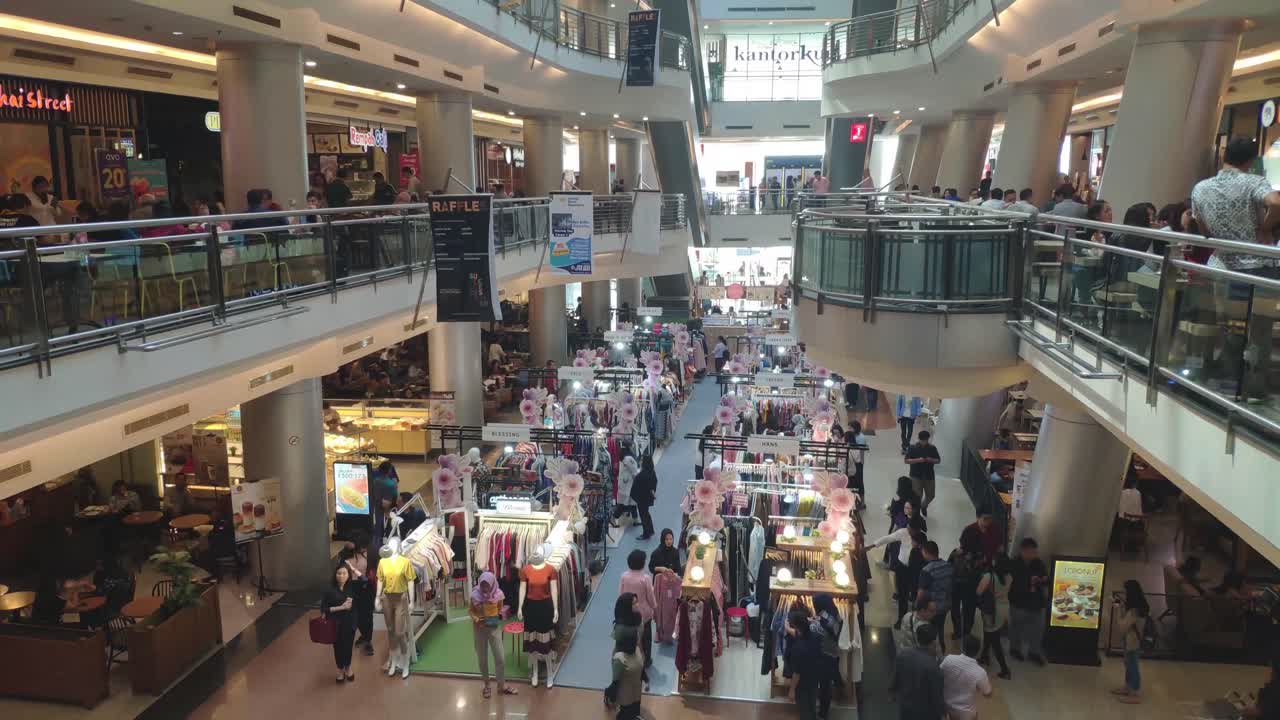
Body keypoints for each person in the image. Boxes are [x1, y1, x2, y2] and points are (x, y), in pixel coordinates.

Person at [869, 524, 926, 624]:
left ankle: (910, 620)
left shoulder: (919, 549)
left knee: (909, 596)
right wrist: (872, 545)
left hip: (913, 576)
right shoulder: (905, 533)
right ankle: (903, 619)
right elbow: (888, 538)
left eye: (910, 528)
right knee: (903, 595)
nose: (907, 529)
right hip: (903, 570)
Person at [469, 571, 514, 697]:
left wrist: (492, 616)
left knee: (500, 657)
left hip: (493, 628)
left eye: (487, 585)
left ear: (493, 584)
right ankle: (487, 685)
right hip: (479, 629)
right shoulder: (475, 595)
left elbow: (500, 608)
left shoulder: (498, 594)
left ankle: (501, 685)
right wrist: (476, 618)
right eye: (482, 585)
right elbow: (470, 610)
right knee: (482, 658)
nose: (484, 588)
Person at [891, 622, 947, 720]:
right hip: (926, 713)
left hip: (906, 708)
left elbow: (896, 677)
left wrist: (892, 691)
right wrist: (943, 712)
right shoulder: (933, 666)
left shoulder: (903, 654)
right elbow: (937, 695)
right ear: (934, 642)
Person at [1008, 537, 1048, 664]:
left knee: (1038, 629)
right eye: (1031, 552)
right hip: (1019, 603)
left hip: (1036, 603)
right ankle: (1015, 649)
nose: (1033, 554)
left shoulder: (1039, 563)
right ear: (1023, 551)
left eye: (1035, 552)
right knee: (1016, 627)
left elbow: (1046, 579)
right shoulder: (1014, 564)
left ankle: (1034, 652)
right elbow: (1011, 584)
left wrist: (1041, 580)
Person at [1112, 579, 1150, 704]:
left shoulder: (1134, 610)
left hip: (1133, 641)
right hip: (1131, 640)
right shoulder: (1139, 606)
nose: (1124, 594)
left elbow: (1122, 626)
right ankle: (1127, 687)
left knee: (1132, 664)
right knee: (1128, 663)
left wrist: (1117, 610)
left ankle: (1134, 693)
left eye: (1125, 591)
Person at [618, 550, 656, 671]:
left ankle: (631, 656)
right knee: (646, 637)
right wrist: (655, 606)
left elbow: (621, 594)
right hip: (644, 614)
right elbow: (650, 596)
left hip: (628, 613)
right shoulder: (646, 578)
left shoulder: (624, 576)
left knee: (630, 636)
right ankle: (647, 659)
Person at [975, 554, 1012, 679]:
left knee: (994, 639)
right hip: (1004, 608)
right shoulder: (1009, 577)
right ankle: (984, 656)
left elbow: (978, 592)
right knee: (989, 632)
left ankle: (1005, 669)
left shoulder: (988, 577)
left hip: (991, 610)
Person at [941, 635, 993, 720]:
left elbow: (939, 674)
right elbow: (987, 694)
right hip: (967, 712)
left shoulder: (949, 659)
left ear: (962, 647)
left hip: (948, 706)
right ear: (978, 651)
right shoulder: (980, 672)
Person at [809, 593, 843, 720]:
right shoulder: (835, 613)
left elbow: (812, 632)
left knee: (816, 684)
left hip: (821, 657)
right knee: (826, 685)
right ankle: (824, 712)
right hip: (833, 653)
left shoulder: (820, 625)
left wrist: (811, 622)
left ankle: (816, 712)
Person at [787, 608, 824, 720]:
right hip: (815, 678)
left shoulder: (798, 648)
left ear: (797, 627)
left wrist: (792, 690)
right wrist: (788, 628)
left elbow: (797, 673)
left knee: (804, 710)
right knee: (812, 705)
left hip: (803, 684)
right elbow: (801, 635)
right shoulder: (816, 637)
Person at [322, 563, 357, 682]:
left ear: (348, 575)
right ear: (335, 575)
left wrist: (353, 569)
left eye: (344, 573)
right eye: (339, 573)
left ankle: (348, 667)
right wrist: (340, 607)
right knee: (338, 648)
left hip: (349, 623)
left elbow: (365, 580)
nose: (341, 576)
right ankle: (340, 670)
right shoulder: (329, 590)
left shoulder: (352, 587)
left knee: (348, 647)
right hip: (335, 624)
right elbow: (324, 610)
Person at [916, 540, 953, 652]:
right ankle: (942, 648)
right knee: (940, 628)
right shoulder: (948, 566)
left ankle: (934, 653)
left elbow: (921, 593)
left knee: (930, 631)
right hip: (945, 604)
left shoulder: (926, 570)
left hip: (931, 607)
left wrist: (917, 607)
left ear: (926, 552)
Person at [341, 537, 375, 656]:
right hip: (353, 588)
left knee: (366, 615)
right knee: (358, 615)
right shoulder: (345, 555)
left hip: (364, 587)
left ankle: (368, 640)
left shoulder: (367, 554)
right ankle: (365, 637)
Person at [609, 629, 645, 720]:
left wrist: (612, 697)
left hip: (625, 698)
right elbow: (642, 670)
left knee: (622, 716)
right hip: (636, 696)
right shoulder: (638, 652)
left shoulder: (619, 658)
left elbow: (615, 682)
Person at [904, 431, 940, 515]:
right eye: (923, 440)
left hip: (929, 475)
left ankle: (923, 506)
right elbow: (906, 460)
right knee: (917, 495)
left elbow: (938, 460)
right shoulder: (912, 447)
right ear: (919, 439)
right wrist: (918, 460)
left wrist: (930, 459)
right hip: (915, 475)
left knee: (931, 495)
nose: (925, 442)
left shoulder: (932, 448)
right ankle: (915, 513)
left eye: (926, 440)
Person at [629, 455, 657, 540]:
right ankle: (650, 530)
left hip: (642, 498)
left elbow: (636, 485)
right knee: (646, 514)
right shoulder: (651, 471)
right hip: (648, 497)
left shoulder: (642, 474)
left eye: (642, 460)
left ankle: (646, 533)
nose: (640, 461)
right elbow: (654, 482)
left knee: (643, 515)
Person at [845, 423, 868, 494]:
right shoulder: (851, 435)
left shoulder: (861, 438)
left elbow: (860, 452)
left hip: (858, 462)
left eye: (850, 428)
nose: (849, 429)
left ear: (855, 428)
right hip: (851, 462)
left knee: (860, 481)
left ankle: (862, 500)